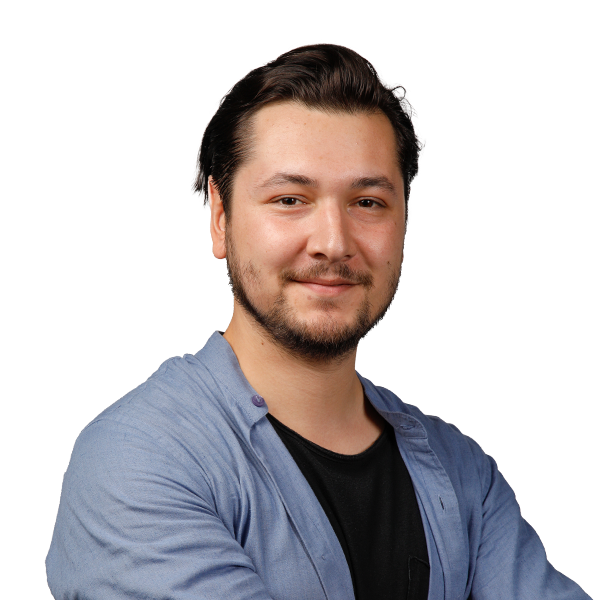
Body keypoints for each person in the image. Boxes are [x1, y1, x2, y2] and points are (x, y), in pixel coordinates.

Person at [46, 44, 591, 600]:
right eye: (290, 199)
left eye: (368, 202)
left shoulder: (463, 474)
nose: (333, 242)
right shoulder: (138, 460)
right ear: (220, 216)